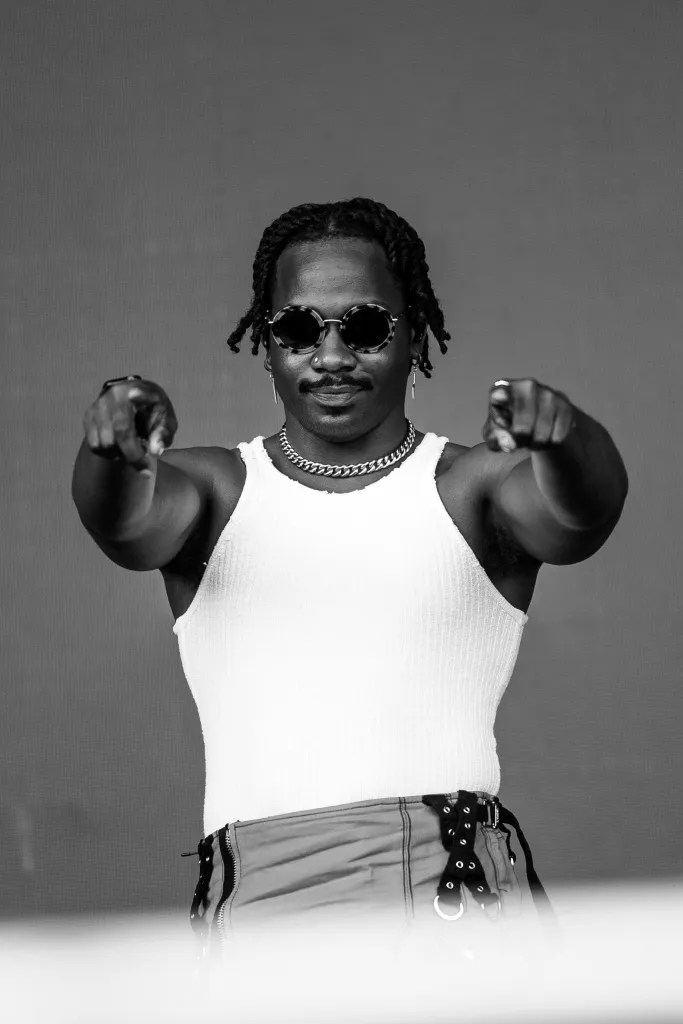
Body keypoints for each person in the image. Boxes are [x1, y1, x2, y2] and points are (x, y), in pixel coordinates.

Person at [71, 197, 629, 960]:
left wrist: (564, 437)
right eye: (298, 329)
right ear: (267, 344)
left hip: (448, 891)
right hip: (261, 908)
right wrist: (112, 448)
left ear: (413, 334)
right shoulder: (214, 490)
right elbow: (123, 526)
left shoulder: (470, 485)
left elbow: (581, 517)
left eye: (364, 327)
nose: (330, 356)